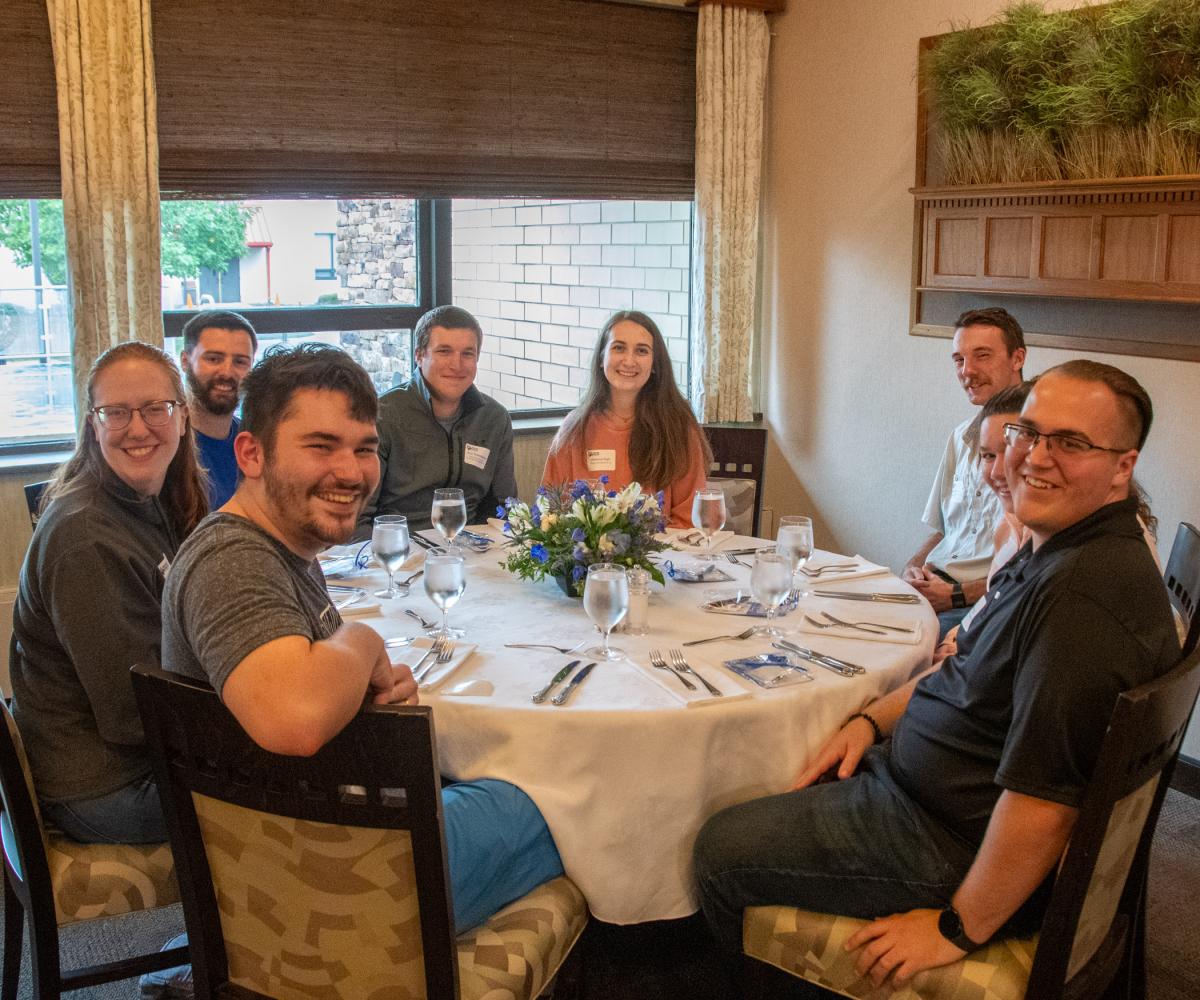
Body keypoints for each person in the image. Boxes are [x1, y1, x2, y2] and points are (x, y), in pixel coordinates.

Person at [694, 360, 1179, 989]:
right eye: (1027, 433)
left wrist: (958, 927)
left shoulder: (1081, 601)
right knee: (770, 768)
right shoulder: (1056, 547)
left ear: (1123, 466)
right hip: (927, 793)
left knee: (719, 847)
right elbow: (965, 671)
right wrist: (872, 720)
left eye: (1072, 443)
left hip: (943, 840)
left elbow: (1045, 803)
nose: (1033, 457)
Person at [161, 343, 563, 932]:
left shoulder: (286, 549)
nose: (351, 472)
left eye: (365, 449)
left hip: (306, 828)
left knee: (503, 768)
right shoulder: (232, 559)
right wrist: (365, 642)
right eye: (321, 446)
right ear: (250, 453)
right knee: (566, 796)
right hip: (313, 874)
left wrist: (356, 692)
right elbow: (294, 718)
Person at [9, 342, 206, 843]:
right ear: (93, 425)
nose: (137, 428)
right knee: (309, 782)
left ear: (183, 417)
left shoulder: (154, 499)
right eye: (115, 412)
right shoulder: (85, 538)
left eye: (155, 408)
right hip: (105, 785)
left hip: (137, 756)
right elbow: (132, 716)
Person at [903, 307, 1027, 636]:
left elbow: (1031, 572)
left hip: (980, 604)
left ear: (1017, 358)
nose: (967, 371)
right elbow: (945, 529)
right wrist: (914, 565)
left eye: (982, 356)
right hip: (935, 588)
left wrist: (955, 596)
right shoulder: (960, 437)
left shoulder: (1035, 448)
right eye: (959, 360)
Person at [356, 305, 516, 535]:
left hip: (472, 551)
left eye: (467, 354)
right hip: (399, 552)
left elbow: (503, 508)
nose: (457, 365)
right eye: (444, 351)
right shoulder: (383, 415)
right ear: (419, 355)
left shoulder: (494, 419)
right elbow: (357, 517)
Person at [541, 310, 710, 527]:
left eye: (641, 350)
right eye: (619, 348)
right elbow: (550, 512)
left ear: (655, 364)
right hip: (586, 559)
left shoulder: (678, 428)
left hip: (660, 557)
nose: (629, 360)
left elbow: (689, 519)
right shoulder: (574, 429)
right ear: (602, 358)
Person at [179, 309, 258, 509]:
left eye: (240, 362)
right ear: (185, 361)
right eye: (214, 359)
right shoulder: (167, 446)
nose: (227, 372)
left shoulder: (253, 443)